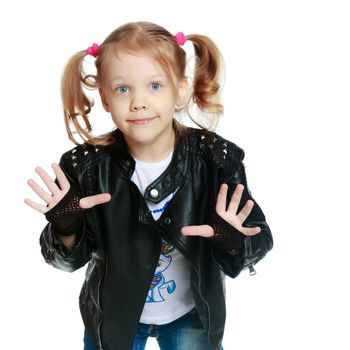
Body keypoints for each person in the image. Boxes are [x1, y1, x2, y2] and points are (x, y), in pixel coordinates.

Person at [25, 21, 273, 350]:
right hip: (113, 317)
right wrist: (66, 226)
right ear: (105, 98)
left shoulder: (214, 160)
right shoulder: (85, 168)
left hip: (191, 316)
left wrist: (229, 237)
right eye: (123, 89)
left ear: (180, 89)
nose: (139, 101)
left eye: (154, 86)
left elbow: (257, 243)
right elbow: (65, 262)